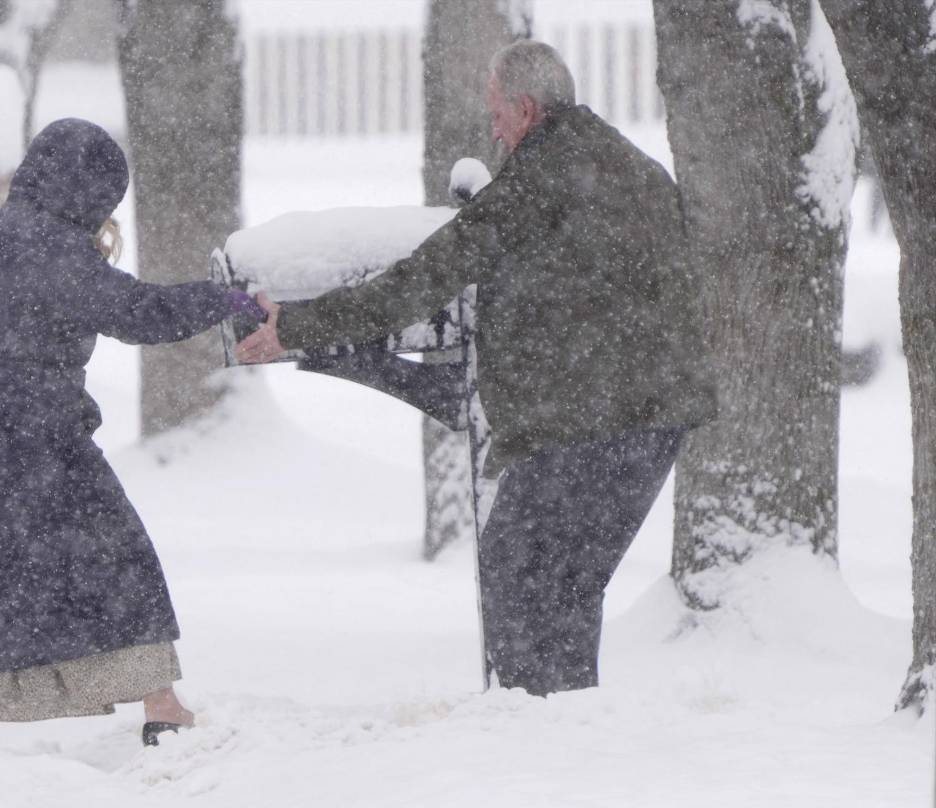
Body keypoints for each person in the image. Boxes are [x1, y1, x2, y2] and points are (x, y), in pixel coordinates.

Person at [237, 41, 717, 695]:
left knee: (517, 573)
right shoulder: (635, 168)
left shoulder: (541, 175)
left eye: (496, 113)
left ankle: (528, 734)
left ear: (525, 108)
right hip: (656, 420)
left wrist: (292, 326)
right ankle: (564, 731)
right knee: (567, 586)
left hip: (590, 421)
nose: (492, 128)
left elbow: (423, 278)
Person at [0, 118, 262, 745]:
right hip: (39, 441)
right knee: (117, 562)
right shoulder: (61, 254)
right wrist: (228, 301)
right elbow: (142, 314)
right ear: (96, 197)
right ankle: (162, 703)